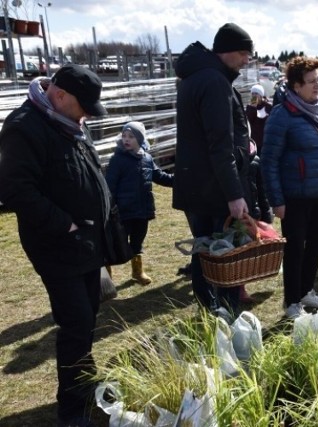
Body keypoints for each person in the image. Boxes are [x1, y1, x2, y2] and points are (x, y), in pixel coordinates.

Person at [0, 64, 109, 427]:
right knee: (76, 319)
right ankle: (72, 409)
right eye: (83, 106)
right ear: (59, 94)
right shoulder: (23, 127)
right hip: (56, 242)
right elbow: (17, 191)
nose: (87, 116)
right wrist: (67, 222)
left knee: (89, 313)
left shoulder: (68, 121)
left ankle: (84, 378)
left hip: (87, 238)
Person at [261, 56, 318, 319]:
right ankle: (292, 301)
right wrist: (276, 200)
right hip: (294, 196)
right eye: (311, 81)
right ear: (295, 86)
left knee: (316, 244)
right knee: (294, 249)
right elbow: (269, 161)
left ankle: (305, 291)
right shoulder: (282, 115)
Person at [173, 23, 255, 318]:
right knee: (225, 254)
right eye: (244, 53)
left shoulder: (195, 78)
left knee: (203, 252)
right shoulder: (215, 82)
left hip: (197, 184)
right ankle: (225, 314)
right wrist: (234, 194)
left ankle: (209, 310)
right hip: (215, 188)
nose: (247, 61)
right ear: (227, 52)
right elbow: (219, 145)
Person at [105, 121, 173, 285]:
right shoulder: (117, 160)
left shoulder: (147, 158)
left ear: (140, 139)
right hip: (122, 212)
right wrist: (111, 209)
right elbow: (109, 186)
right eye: (124, 136)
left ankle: (137, 271)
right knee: (116, 243)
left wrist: (179, 180)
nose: (126, 140)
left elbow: (160, 176)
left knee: (137, 241)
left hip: (141, 211)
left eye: (131, 136)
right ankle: (106, 278)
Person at [245, 83, 272, 156]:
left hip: (265, 139)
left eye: (256, 93)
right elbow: (248, 121)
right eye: (252, 94)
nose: (254, 96)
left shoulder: (268, 106)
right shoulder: (250, 107)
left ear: (261, 95)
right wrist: (252, 107)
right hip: (255, 139)